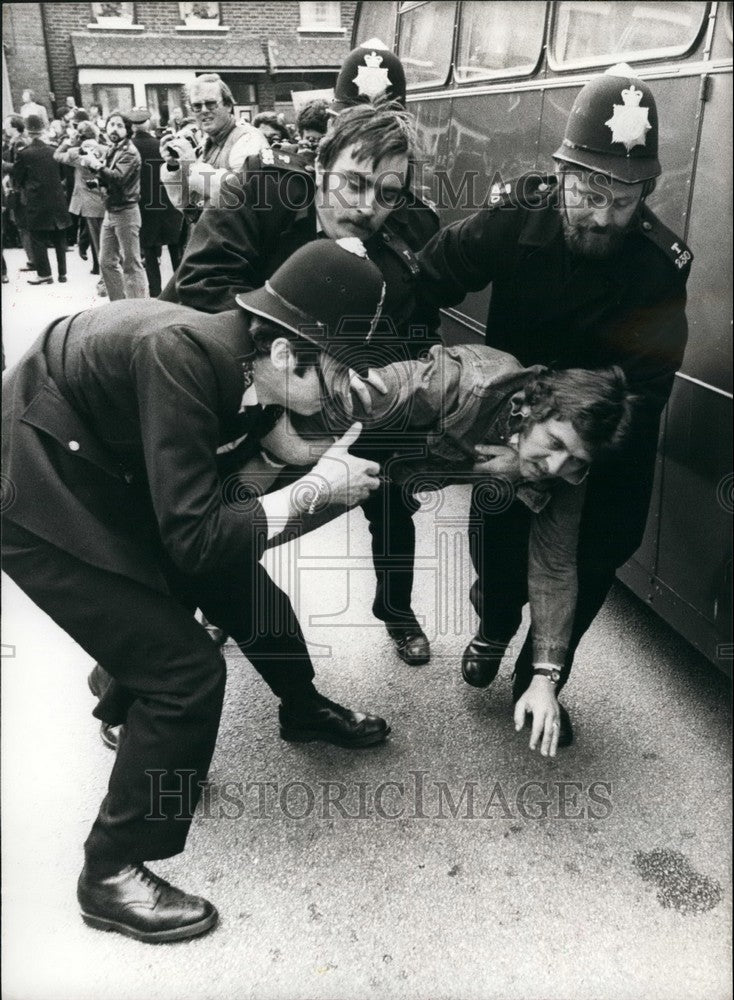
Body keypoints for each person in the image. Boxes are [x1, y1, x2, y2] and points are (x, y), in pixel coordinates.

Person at [1, 238, 388, 943]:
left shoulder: (245, 357)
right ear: (282, 355)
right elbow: (194, 538)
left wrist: (290, 454)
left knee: (235, 582)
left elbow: (233, 443)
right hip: (37, 488)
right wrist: (312, 490)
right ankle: (110, 870)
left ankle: (295, 708)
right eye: (338, 374)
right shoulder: (179, 354)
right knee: (184, 671)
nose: (343, 393)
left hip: (97, 456)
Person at [417, 64, 693, 742]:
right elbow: (430, 273)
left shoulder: (658, 271)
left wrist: (574, 456)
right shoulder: (515, 219)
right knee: (498, 544)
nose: (602, 215)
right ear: (562, 174)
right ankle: (493, 620)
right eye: (589, 192)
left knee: (593, 557)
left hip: (600, 445)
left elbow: (649, 395)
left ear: (647, 193)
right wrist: (416, 361)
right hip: (513, 431)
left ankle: (541, 680)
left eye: (623, 202)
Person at [162, 101, 441, 666]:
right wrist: (292, 355)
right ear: (320, 167)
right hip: (244, 384)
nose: (367, 208)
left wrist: (386, 374)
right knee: (224, 514)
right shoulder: (260, 194)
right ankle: (174, 638)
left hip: (348, 395)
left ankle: (397, 610)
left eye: (387, 195)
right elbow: (198, 293)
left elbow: (418, 324)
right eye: (354, 184)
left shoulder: (412, 227)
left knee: (390, 493)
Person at [277, 345, 636, 757]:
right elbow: (346, 400)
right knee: (237, 532)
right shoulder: (461, 383)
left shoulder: (564, 474)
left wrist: (544, 678)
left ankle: (299, 704)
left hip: (386, 477)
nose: (556, 467)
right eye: (555, 442)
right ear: (529, 408)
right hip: (333, 457)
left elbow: (553, 568)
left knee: (235, 551)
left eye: (575, 459)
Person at [159, 73, 267, 225]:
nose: (204, 110)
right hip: (210, 237)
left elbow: (239, 194)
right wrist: (175, 166)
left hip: (236, 240)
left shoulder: (248, 138)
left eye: (210, 104)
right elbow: (184, 204)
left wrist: (192, 166)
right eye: (196, 106)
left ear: (228, 105)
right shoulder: (205, 143)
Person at [82, 109, 149, 300]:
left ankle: (138, 308)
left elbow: (119, 178)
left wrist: (95, 165)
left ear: (127, 130)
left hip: (126, 212)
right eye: (112, 124)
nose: (114, 129)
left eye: (120, 126)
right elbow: (111, 178)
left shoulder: (130, 152)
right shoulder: (114, 148)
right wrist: (97, 181)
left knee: (131, 264)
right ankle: (118, 305)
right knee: (106, 261)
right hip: (111, 211)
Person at [128, 107, 183, 297]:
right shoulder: (163, 145)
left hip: (144, 204)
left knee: (150, 251)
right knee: (175, 248)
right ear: (148, 123)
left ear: (133, 126)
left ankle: (156, 292)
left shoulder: (129, 147)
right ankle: (180, 289)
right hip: (168, 201)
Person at [12, 114, 70, 285]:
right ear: (43, 130)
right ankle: (62, 273)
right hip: (57, 199)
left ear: (29, 132)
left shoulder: (24, 154)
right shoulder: (54, 150)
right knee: (60, 237)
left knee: (37, 237)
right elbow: (61, 175)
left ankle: (44, 274)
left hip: (37, 200)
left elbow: (18, 176)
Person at [53, 122, 106, 282]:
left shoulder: (75, 153)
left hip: (89, 204)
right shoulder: (105, 149)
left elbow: (56, 155)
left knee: (98, 244)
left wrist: (69, 140)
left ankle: (104, 277)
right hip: (106, 200)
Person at [2, 115, 36, 272]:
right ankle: (32, 259)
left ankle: (33, 260)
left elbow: (19, 167)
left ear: (14, 126)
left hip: (21, 191)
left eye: (6, 125)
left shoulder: (19, 142)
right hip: (19, 189)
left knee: (24, 226)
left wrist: (3, 165)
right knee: (23, 226)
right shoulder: (19, 141)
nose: (5, 128)